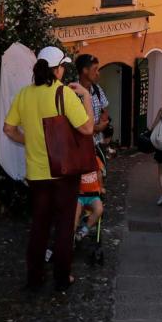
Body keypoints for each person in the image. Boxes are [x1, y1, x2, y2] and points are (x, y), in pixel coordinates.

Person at [4, 46, 94, 291]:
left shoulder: (24, 95)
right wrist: (85, 96)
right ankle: (62, 279)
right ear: (58, 69)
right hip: (63, 172)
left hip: (37, 174)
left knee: (39, 226)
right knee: (64, 226)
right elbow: (87, 129)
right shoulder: (63, 94)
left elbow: (9, 130)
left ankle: (35, 278)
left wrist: (30, 140)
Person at [73, 55, 108, 238]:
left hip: (95, 144)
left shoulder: (97, 90)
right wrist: (93, 128)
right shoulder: (72, 91)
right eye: (95, 69)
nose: (98, 73)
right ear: (84, 71)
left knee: (98, 174)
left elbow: (105, 112)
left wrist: (103, 123)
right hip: (78, 146)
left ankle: (92, 210)